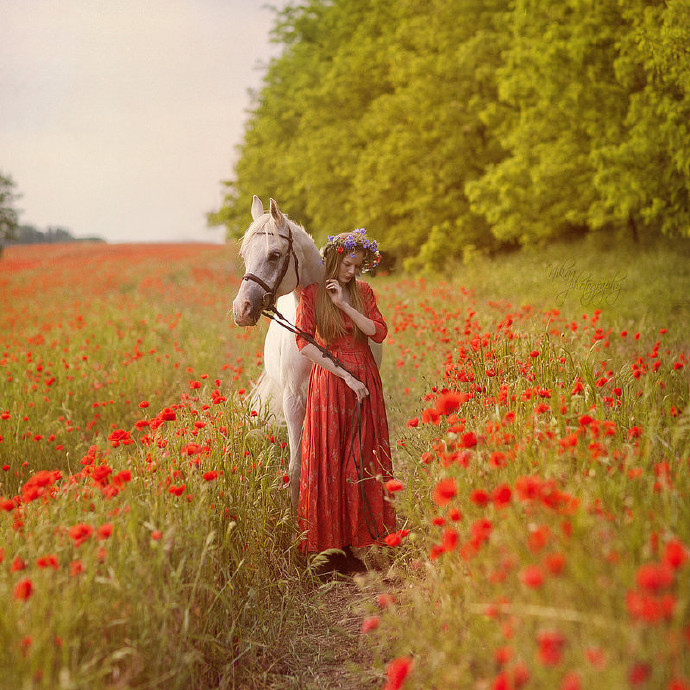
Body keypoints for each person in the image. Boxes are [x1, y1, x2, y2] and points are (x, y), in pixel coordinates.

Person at [295, 228, 395, 571]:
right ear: (334, 259)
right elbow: (305, 344)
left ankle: (355, 545)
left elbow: (377, 332)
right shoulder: (310, 294)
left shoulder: (363, 292)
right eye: (348, 265)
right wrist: (346, 376)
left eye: (358, 266)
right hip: (332, 381)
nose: (352, 272)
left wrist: (345, 305)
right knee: (328, 459)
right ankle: (326, 552)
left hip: (365, 377)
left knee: (361, 456)